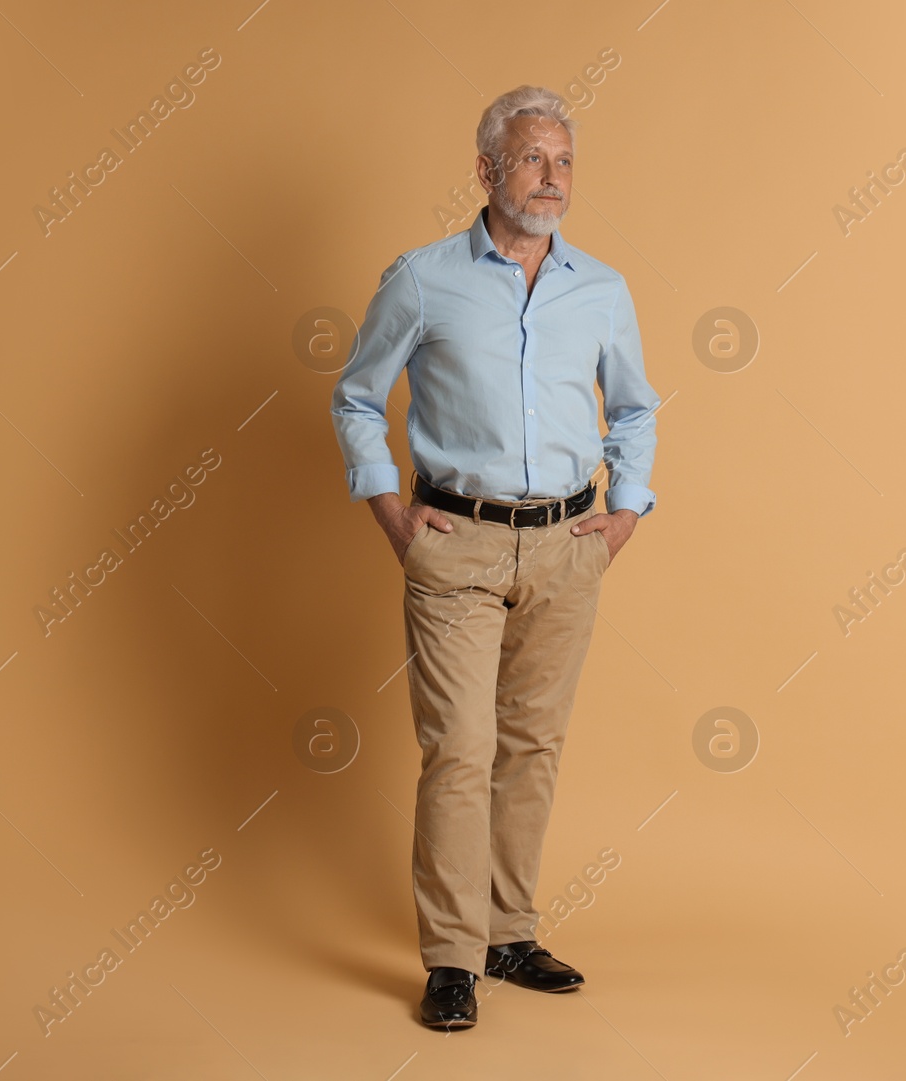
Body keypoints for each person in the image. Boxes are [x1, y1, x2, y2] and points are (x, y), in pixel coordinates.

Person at [329, 84, 660, 1030]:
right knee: (460, 750)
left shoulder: (600, 287)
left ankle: (510, 932)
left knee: (533, 745)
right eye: (530, 160)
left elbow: (634, 408)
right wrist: (390, 513)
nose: (550, 179)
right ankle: (452, 958)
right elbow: (357, 396)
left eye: (562, 162)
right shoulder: (423, 278)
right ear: (486, 170)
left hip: (568, 543)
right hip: (454, 544)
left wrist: (625, 514)